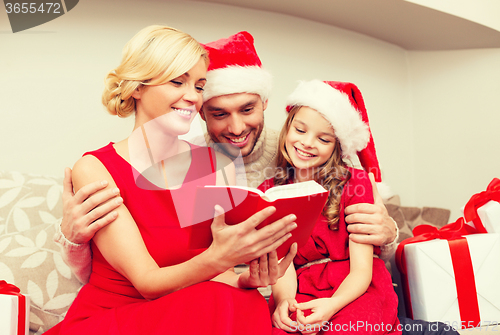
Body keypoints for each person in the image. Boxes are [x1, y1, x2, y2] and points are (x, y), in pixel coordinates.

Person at [54, 31, 398, 286]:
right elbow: (132, 270)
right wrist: (73, 239)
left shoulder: (304, 144)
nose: (236, 128)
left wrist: (388, 233)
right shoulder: (191, 155)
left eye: (247, 109)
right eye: (219, 113)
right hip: (224, 292)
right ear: (203, 114)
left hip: (305, 288)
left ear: (265, 103)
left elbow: (358, 215)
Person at [46, 25, 299, 335]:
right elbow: (148, 282)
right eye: (178, 82)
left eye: (199, 85)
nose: (192, 97)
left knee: (246, 302)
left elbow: (217, 277)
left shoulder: (217, 166)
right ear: (137, 87)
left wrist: (246, 280)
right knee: (213, 301)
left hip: (193, 310)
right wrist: (220, 257)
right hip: (118, 317)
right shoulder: (96, 168)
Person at [264, 80, 400, 335]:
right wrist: (285, 301)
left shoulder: (355, 183)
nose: (307, 143)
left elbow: (362, 270)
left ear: (336, 146)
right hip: (299, 288)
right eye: (300, 130)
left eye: (323, 139)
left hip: (355, 289)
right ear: (288, 127)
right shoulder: (270, 189)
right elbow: (284, 263)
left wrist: (332, 305)